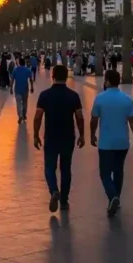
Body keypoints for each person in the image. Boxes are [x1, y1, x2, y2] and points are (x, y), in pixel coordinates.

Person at [34, 65, 84, 212]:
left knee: (49, 167)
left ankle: (54, 190)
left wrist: (36, 135)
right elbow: (79, 117)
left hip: (51, 136)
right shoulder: (73, 96)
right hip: (68, 137)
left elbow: (38, 117)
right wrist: (82, 135)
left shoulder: (45, 95)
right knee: (66, 168)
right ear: (66, 76)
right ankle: (64, 201)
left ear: (53, 75)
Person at [90, 69, 133, 218]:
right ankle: (116, 198)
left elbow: (94, 119)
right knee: (118, 171)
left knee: (105, 173)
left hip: (106, 143)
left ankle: (113, 197)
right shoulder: (127, 99)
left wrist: (92, 134)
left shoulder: (100, 98)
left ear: (107, 81)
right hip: (122, 142)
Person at [13, 59, 34, 123]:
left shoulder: (15, 70)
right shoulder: (28, 70)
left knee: (18, 103)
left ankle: (20, 116)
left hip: (17, 89)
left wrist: (11, 88)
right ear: (24, 63)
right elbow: (31, 79)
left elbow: (12, 80)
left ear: (19, 63)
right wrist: (32, 87)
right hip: (25, 89)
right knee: (25, 102)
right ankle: (24, 115)